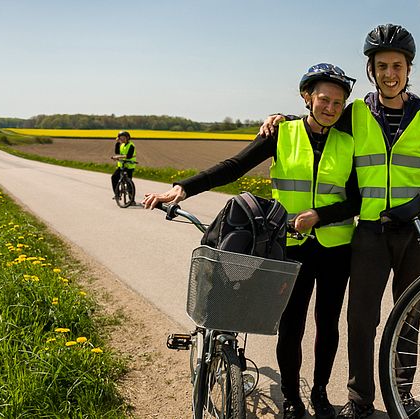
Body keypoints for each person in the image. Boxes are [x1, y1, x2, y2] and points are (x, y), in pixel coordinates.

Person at [260, 24, 420, 419]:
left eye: (398, 66)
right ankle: (359, 400)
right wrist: (281, 117)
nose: (391, 73)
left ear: (409, 70)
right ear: (371, 70)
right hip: (370, 230)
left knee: (409, 317)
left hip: (419, 231)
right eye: (382, 65)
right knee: (361, 320)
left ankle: (401, 396)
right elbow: (318, 119)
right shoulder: (354, 113)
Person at [143, 63, 360, 419]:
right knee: (291, 324)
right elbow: (234, 166)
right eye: (324, 99)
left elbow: (355, 199)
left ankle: (320, 393)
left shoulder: (348, 141)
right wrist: (184, 188)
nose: (331, 109)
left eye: (338, 103)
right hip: (288, 246)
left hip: (337, 246)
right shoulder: (282, 133)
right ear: (308, 98)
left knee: (328, 322)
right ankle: (291, 397)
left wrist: (320, 215)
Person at [110, 130, 136, 200]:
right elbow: (117, 152)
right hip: (121, 166)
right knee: (114, 177)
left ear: (127, 138)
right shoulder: (122, 145)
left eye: (123, 137)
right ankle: (117, 195)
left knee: (129, 182)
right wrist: (117, 143)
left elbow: (129, 156)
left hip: (129, 166)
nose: (122, 139)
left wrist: (118, 157)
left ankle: (131, 200)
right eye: (120, 138)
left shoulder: (131, 145)